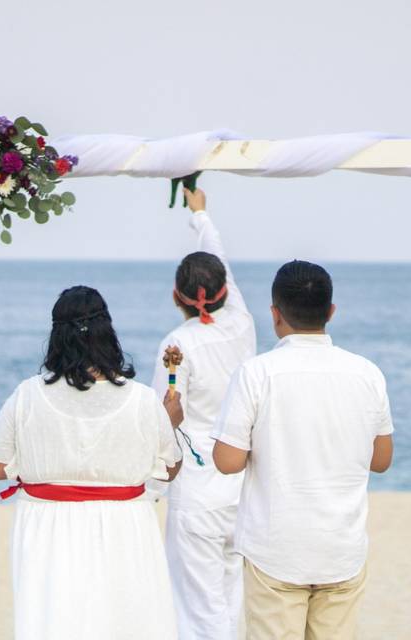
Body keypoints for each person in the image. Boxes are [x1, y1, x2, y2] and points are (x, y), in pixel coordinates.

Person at [0, 286, 185, 640]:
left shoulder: (28, 395)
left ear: (57, 337)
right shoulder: (142, 400)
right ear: (108, 333)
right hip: (124, 527)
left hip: (48, 529)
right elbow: (170, 468)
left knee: (54, 622)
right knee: (125, 621)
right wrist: (169, 422)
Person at [211, 260, 395, 640]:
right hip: (341, 548)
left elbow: (227, 462)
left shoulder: (257, 374)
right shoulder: (367, 373)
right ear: (331, 312)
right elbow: (381, 461)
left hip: (276, 549)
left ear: (275, 315)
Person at [150, 188, 256, 639]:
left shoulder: (177, 345)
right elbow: (221, 262)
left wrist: (151, 483)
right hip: (243, 486)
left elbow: (162, 425)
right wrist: (201, 216)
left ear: (177, 296)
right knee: (229, 596)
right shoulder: (243, 322)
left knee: (197, 608)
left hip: (197, 492)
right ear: (223, 293)